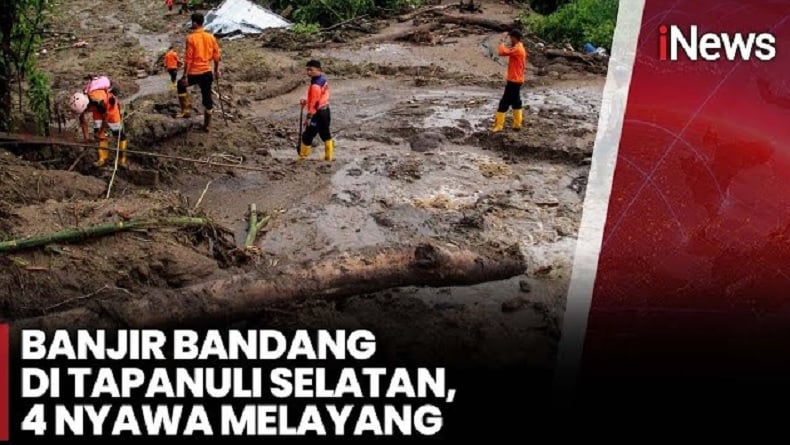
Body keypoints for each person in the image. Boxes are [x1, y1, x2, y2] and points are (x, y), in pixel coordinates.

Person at [177, 12, 221, 131]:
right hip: (207, 73)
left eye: (192, 22)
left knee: (180, 85)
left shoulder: (191, 38)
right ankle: (206, 125)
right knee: (207, 98)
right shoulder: (211, 37)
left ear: (195, 23)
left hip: (194, 73)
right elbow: (217, 56)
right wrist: (216, 71)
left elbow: (188, 59)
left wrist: (185, 76)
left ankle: (185, 111)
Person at [70, 88, 128, 168]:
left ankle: (122, 160)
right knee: (100, 135)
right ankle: (102, 158)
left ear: (87, 106)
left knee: (119, 134)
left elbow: (106, 118)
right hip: (97, 112)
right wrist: (86, 139)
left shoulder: (99, 102)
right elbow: (83, 122)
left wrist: (101, 132)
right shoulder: (80, 103)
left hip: (110, 109)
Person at [491, 29, 527, 133]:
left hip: (513, 80)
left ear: (514, 38)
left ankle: (499, 125)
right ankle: (517, 124)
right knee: (516, 102)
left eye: (511, 38)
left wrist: (502, 40)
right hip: (518, 79)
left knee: (504, 102)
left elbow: (502, 52)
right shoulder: (519, 47)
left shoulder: (517, 49)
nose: (510, 40)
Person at [298, 60, 334, 162]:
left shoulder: (315, 85)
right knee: (325, 134)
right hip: (326, 111)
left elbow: (315, 103)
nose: (308, 72)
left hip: (318, 113)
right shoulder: (322, 80)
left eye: (311, 70)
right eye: (307, 70)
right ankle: (329, 157)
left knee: (307, 135)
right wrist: (306, 100)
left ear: (318, 69)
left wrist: (309, 117)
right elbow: (319, 97)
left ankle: (303, 157)